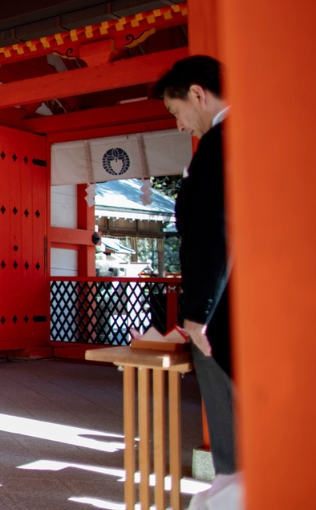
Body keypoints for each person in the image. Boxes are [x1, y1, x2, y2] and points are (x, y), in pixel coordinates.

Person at [156, 55, 242, 509]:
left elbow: (212, 232)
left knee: (232, 421)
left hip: (224, 308)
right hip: (248, 301)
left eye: (175, 112)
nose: (179, 125)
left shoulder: (218, 145)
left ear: (196, 93)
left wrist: (198, 314)